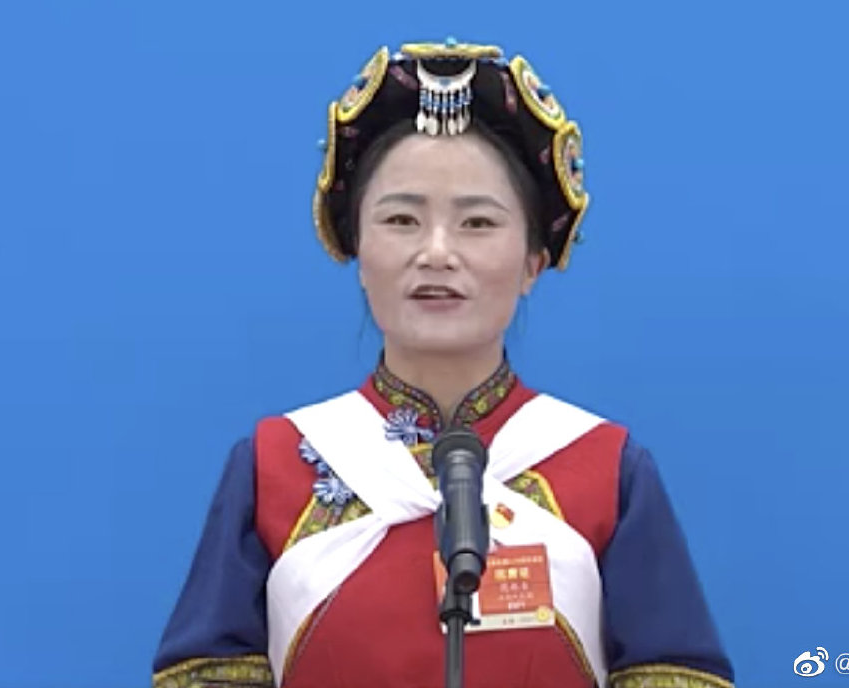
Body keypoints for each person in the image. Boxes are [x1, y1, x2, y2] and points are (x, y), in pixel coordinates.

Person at [152, 38, 735, 688]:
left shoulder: (605, 468)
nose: (436, 252)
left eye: (477, 224)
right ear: (359, 253)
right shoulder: (276, 464)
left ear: (532, 263)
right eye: (402, 220)